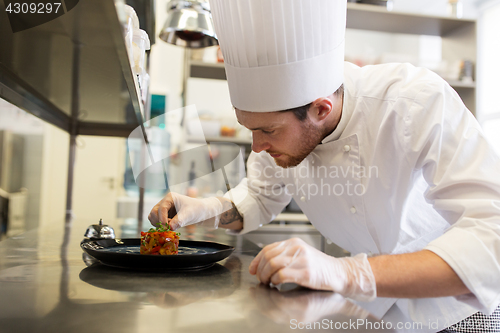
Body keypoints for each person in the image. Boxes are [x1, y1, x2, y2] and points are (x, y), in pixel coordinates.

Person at [148, 0, 500, 330]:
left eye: (267, 130)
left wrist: (346, 273)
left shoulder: (415, 102)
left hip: (459, 312)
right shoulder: (285, 129)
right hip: (372, 310)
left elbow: (493, 235)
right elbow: (258, 196)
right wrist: (205, 209)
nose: (257, 145)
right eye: (251, 129)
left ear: (321, 109)